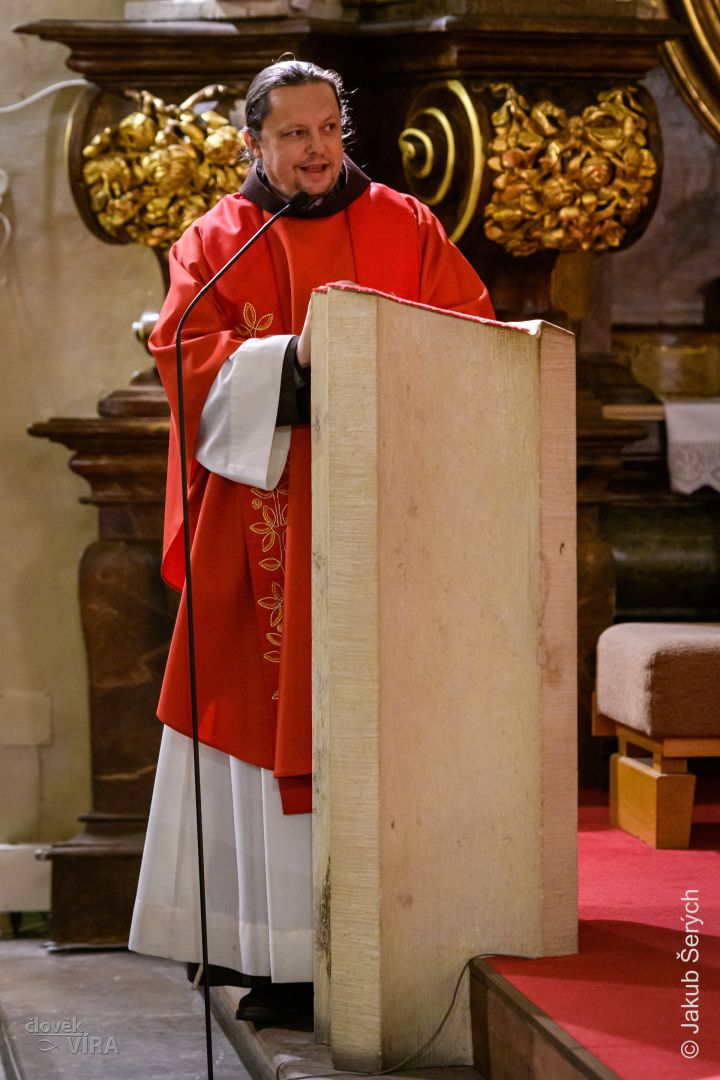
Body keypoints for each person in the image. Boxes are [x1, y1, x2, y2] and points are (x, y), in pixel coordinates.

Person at [129, 57, 494, 1023]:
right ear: (253, 142)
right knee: (261, 721)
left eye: (328, 129)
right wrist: (292, 363)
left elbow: (473, 332)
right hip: (264, 530)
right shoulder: (219, 241)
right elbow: (183, 355)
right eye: (294, 134)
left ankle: (400, 943)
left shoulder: (405, 224)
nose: (317, 150)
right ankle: (279, 953)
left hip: (389, 524)